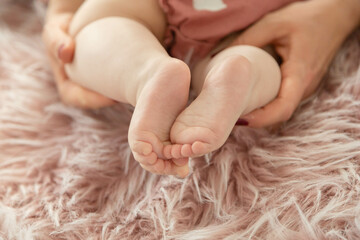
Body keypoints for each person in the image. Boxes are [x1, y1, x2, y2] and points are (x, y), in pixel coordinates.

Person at [43, 0, 360, 177]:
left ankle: (147, 72)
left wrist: (64, 8)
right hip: (261, 11)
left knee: (100, 27)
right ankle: (238, 71)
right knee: (263, 55)